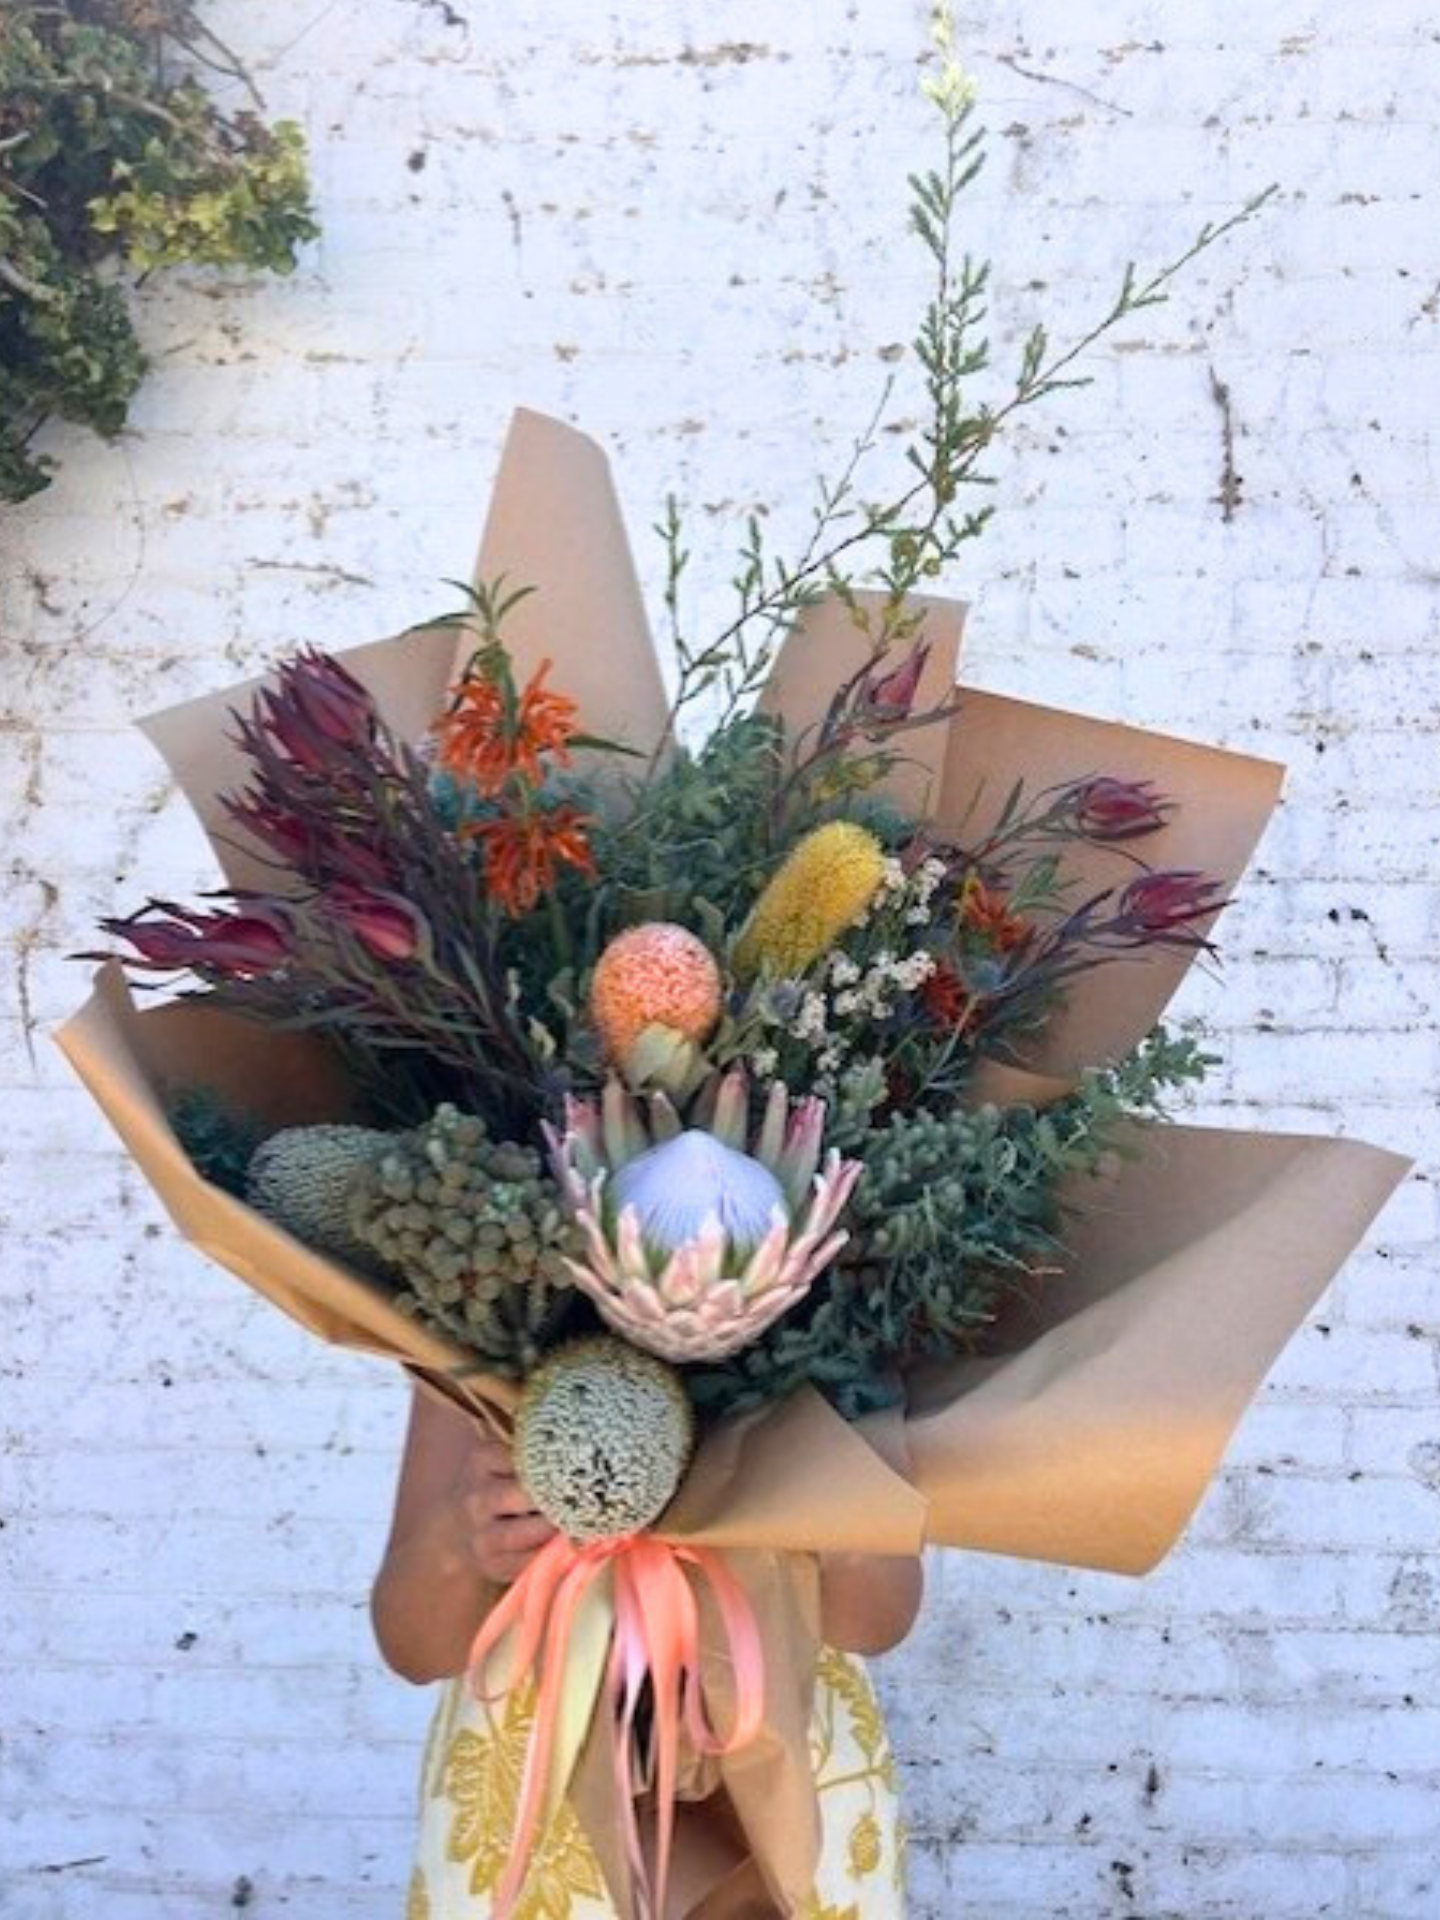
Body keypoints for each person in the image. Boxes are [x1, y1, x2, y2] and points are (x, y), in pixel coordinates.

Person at [374, 1384, 924, 1919]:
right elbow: (414, 1648)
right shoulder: (486, 1312)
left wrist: (833, 1498)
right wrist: (462, 1535)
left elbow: (878, 1619)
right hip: (535, 1814)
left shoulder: (843, 1321)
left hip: (788, 1783)